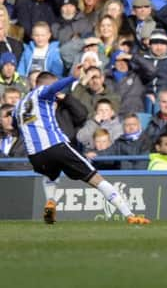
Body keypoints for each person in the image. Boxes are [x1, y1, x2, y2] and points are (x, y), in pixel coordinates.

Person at [13, 68, 149, 224]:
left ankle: (50, 201)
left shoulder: (18, 105)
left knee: (51, 174)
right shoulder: (43, 91)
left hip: (35, 155)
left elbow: (15, 126)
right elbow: (52, 88)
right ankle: (130, 215)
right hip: (56, 146)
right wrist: (73, 77)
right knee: (96, 178)